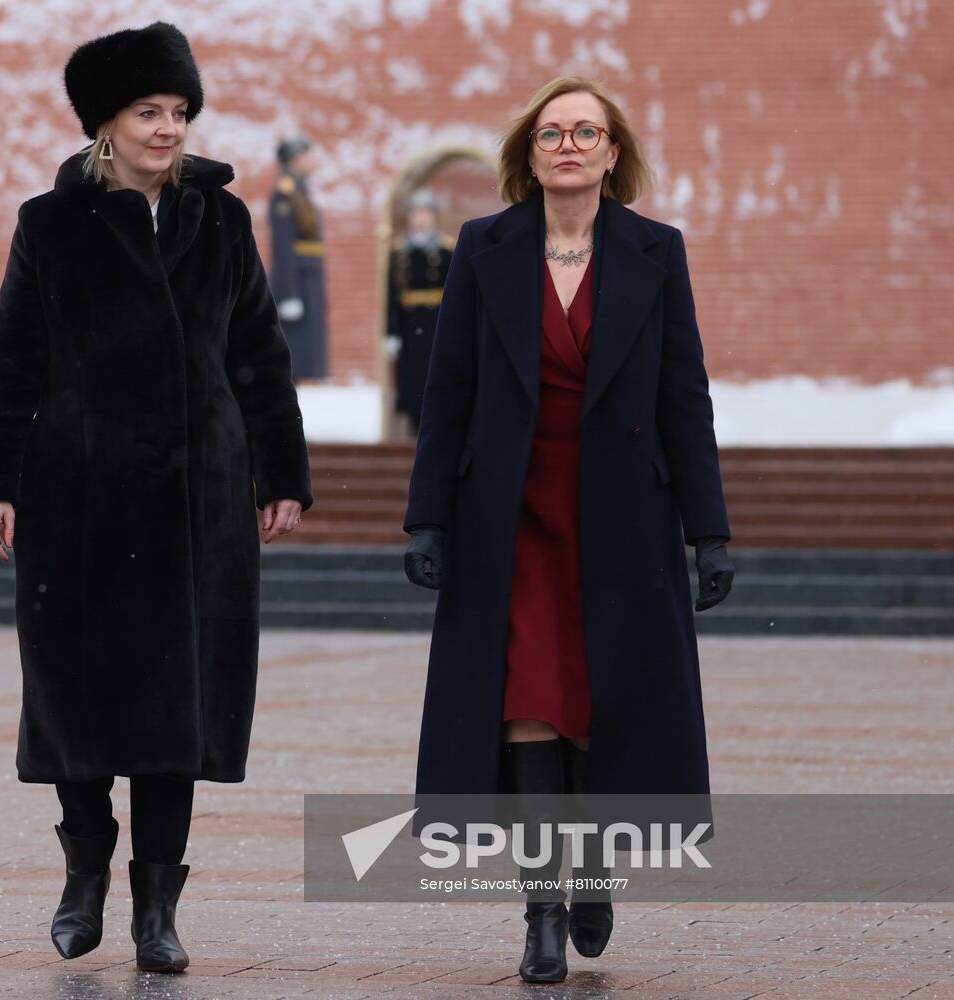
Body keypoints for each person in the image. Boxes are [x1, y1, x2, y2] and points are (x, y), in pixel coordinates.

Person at [0, 22, 312, 974]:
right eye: (148, 112)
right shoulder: (51, 222)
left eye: (179, 112)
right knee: (76, 697)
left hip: (194, 498)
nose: (168, 130)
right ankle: (84, 871)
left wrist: (280, 472)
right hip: (76, 492)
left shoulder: (221, 220)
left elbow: (257, 356)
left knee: (176, 704)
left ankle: (157, 908)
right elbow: (14, 363)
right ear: (104, 125)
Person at [402, 76, 735, 984]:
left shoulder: (654, 252)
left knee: (599, 704)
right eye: (552, 133)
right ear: (530, 153)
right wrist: (427, 514)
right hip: (507, 516)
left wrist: (708, 528)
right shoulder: (485, 247)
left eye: (586, 132)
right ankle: (541, 909)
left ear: (612, 152)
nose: (569, 146)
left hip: (622, 517)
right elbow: (448, 390)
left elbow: (682, 393)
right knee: (527, 705)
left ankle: (592, 870)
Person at [387, 188, 454, 433]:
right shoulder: (398, 252)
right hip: (409, 322)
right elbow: (391, 294)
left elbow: (455, 292)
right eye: (416, 213)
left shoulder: (447, 250)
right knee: (412, 379)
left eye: (426, 213)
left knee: (436, 376)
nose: (421, 218)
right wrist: (391, 331)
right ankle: (415, 430)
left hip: (436, 320)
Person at [268, 135, 328, 380]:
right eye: (306, 156)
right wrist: (289, 294)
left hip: (308, 281)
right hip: (297, 284)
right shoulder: (285, 193)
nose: (312, 161)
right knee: (292, 361)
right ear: (293, 161)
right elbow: (283, 247)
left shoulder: (301, 191)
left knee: (303, 362)